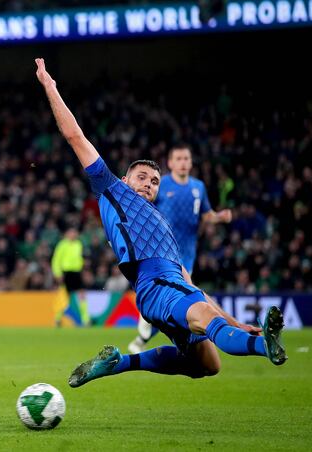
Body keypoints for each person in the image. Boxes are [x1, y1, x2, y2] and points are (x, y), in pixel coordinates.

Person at [34, 58, 286, 389]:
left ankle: (119, 363)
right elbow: (75, 136)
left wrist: (236, 322)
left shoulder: (160, 222)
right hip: (157, 288)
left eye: (155, 181)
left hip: (174, 287)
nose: (149, 184)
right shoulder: (113, 190)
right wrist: (50, 87)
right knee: (206, 321)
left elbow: (189, 281)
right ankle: (263, 347)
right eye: (142, 177)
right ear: (125, 179)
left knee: (208, 365)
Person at [128, 144, 232, 353]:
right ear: (170, 163)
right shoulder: (160, 184)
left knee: (179, 300)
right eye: (179, 159)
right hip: (159, 254)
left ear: (191, 162)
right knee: (169, 299)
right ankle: (147, 335)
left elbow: (205, 215)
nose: (183, 163)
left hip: (187, 255)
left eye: (186, 158)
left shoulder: (198, 187)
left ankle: (153, 338)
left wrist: (219, 217)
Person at [51, 227, 87, 327]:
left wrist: (82, 268)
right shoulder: (62, 245)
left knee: (81, 294)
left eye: (75, 232)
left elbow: (80, 258)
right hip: (65, 273)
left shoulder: (78, 244)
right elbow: (56, 260)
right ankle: (57, 319)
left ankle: (85, 319)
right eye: (71, 232)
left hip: (76, 272)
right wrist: (57, 273)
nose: (73, 234)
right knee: (64, 297)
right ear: (67, 234)